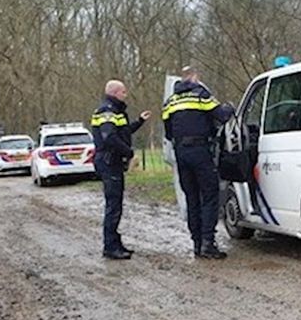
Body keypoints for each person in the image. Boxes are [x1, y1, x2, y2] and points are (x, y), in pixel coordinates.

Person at [163, 66, 234, 259]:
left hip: (181, 153)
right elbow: (222, 116)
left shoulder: (170, 101)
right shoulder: (201, 95)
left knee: (192, 197)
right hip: (200, 151)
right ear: (194, 78)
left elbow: (168, 133)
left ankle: (196, 242)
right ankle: (208, 243)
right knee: (210, 195)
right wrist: (230, 106)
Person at [91, 80, 151, 260]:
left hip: (113, 162)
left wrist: (139, 121)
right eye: (124, 91)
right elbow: (109, 137)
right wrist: (129, 152)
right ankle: (110, 247)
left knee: (116, 204)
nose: (126, 94)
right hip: (109, 162)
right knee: (113, 206)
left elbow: (122, 133)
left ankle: (115, 242)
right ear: (115, 92)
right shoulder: (107, 111)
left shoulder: (115, 111)